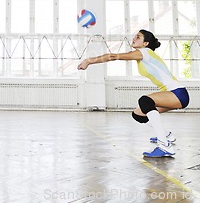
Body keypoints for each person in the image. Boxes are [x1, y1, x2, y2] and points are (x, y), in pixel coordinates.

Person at [77, 29, 189, 158]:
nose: (134, 38)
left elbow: (113, 56)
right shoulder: (144, 54)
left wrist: (89, 61)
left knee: (145, 101)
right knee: (139, 114)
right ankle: (167, 135)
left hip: (178, 93)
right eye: (135, 36)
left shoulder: (144, 52)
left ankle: (164, 145)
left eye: (138, 37)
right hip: (173, 95)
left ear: (145, 43)